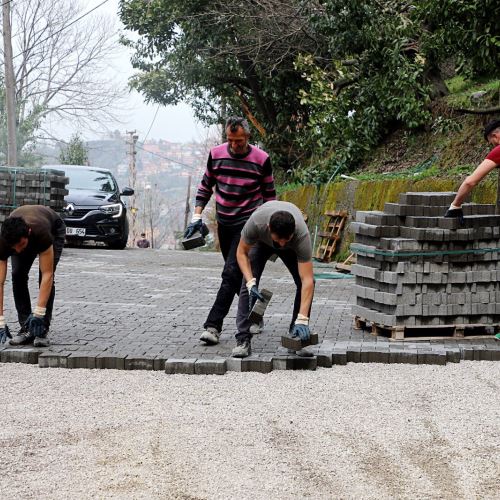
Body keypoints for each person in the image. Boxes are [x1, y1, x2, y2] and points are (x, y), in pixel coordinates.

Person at [184, 116, 276, 345]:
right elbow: (206, 186)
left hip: (249, 224)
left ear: (248, 137)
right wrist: (196, 216)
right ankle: (257, 311)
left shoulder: (262, 159)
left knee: (230, 274)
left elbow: (269, 196)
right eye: (230, 140)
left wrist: (268, 230)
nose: (234, 145)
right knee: (236, 276)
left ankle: (213, 326)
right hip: (224, 223)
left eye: (239, 141)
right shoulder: (216, 155)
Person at [232, 200, 315, 358]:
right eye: (278, 240)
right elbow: (241, 253)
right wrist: (251, 283)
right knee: (246, 284)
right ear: (269, 228)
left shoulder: (301, 235)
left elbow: (307, 281)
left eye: (286, 239)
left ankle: (296, 335)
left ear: (293, 232)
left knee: (304, 282)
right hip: (262, 243)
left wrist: (303, 318)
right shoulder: (256, 223)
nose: (282, 244)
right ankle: (243, 339)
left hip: (292, 247)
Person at [444, 119, 500, 341]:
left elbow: (470, 182)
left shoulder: (498, 150)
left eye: (491, 142)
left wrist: (455, 205)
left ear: (495, 136)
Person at [0, 205, 66, 347]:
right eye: (14, 247)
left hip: (53, 227)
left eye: (21, 245)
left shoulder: (42, 234)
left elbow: (48, 274)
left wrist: (38, 312)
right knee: (17, 275)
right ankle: (26, 328)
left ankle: (41, 328)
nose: (18, 250)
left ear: (28, 233)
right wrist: (0, 321)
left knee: (45, 277)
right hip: (22, 235)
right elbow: (0, 282)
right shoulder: (5, 242)